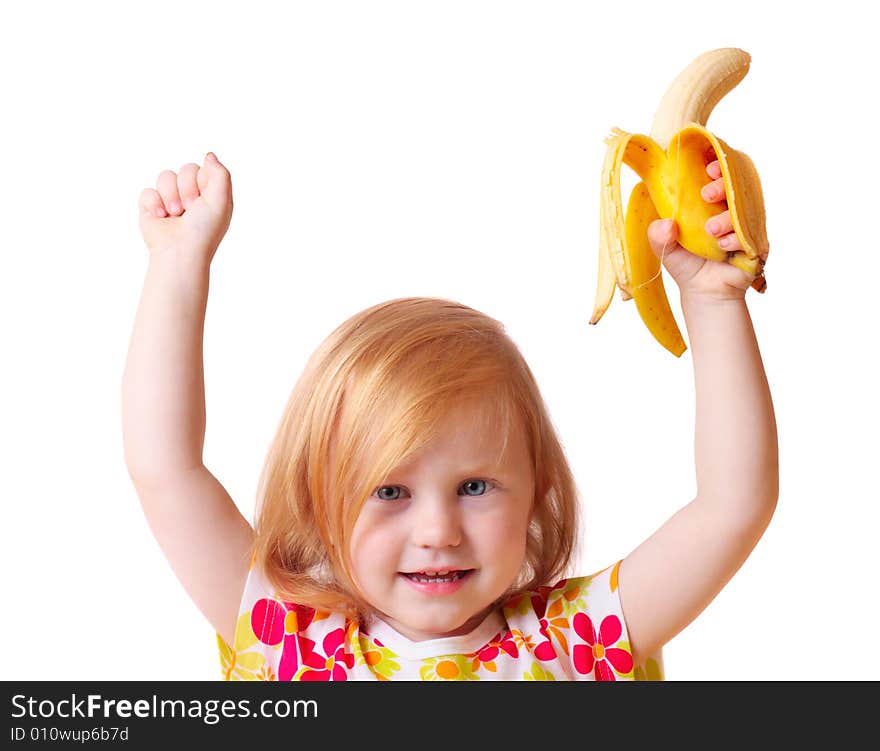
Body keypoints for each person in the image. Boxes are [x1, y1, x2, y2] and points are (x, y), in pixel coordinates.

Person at [122, 152, 778, 681]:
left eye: (474, 486)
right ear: (320, 502)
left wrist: (714, 303)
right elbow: (166, 469)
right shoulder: (288, 638)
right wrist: (178, 264)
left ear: (537, 490)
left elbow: (732, 504)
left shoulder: (582, 636)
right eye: (389, 491)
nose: (438, 530)